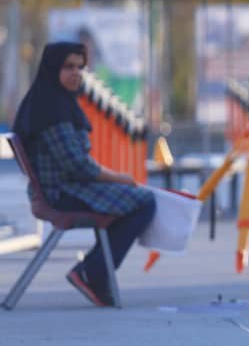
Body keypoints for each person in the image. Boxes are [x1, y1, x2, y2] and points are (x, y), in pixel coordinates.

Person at [11, 42, 156, 307]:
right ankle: (94, 272)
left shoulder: (49, 100)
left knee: (134, 200)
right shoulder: (53, 109)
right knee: (145, 201)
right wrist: (119, 177)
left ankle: (94, 271)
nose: (76, 73)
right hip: (63, 193)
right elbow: (78, 167)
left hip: (57, 190)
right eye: (68, 67)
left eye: (80, 67)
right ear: (52, 68)